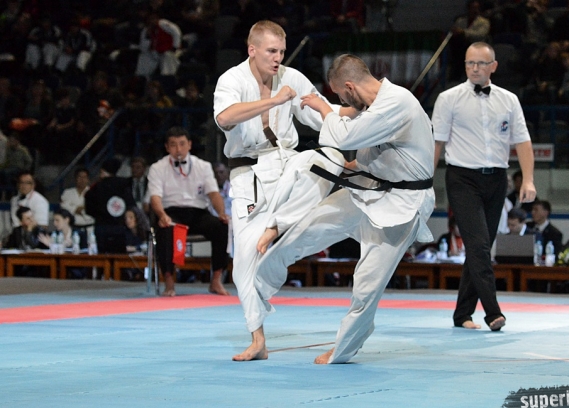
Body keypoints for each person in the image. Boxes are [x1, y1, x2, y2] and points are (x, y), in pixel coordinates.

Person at [251, 54, 435, 364]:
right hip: (370, 187)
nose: (341, 101)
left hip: (402, 205)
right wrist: (323, 107)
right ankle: (260, 287)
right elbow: (349, 116)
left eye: (340, 94)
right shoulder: (374, 102)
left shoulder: (397, 102)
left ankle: (344, 349)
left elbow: (346, 134)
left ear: (350, 86)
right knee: (310, 226)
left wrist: (324, 109)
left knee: (367, 284)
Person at [213, 20, 355, 361]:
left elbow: (326, 113)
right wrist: (275, 101)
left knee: (330, 157)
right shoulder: (232, 80)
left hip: (287, 165)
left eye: (281, 51)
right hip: (249, 175)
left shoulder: (292, 78)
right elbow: (225, 117)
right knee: (244, 261)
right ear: (252, 50)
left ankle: (280, 225)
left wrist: (369, 111)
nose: (278, 58)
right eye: (271, 51)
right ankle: (258, 340)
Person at [432, 41, 537, 331]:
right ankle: (493, 312)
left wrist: (528, 179)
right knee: (478, 246)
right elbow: (436, 143)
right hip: (462, 178)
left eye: (480, 63)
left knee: (481, 247)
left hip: (497, 179)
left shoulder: (509, 100)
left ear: (493, 66)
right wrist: (426, 184)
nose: (474, 68)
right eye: (470, 63)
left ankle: (462, 314)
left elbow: (523, 141)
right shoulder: (449, 98)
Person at [147, 126, 229, 297]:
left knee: (221, 226)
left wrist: (221, 212)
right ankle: (169, 281)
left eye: (182, 144)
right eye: (173, 145)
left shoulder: (203, 166)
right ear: (167, 147)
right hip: (170, 212)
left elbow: (214, 194)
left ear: (190, 145)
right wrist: (162, 215)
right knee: (165, 227)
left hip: (198, 213)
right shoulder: (157, 167)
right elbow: (155, 197)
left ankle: (216, 280)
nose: (178, 149)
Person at [84, 158, 136, 254]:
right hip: (121, 227)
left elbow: (89, 208)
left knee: (102, 258)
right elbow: (131, 205)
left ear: (102, 171)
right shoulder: (125, 185)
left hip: (102, 227)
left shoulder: (97, 187)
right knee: (120, 257)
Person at [135, 12, 182, 78]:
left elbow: (176, 32)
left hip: (170, 51)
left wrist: (175, 46)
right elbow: (143, 48)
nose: (152, 21)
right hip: (155, 53)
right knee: (143, 57)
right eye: (150, 20)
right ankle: (142, 78)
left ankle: (167, 77)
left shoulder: (164, 24)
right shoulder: (145, 31)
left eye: (154, 19)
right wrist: (148, 37)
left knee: (167, 56)